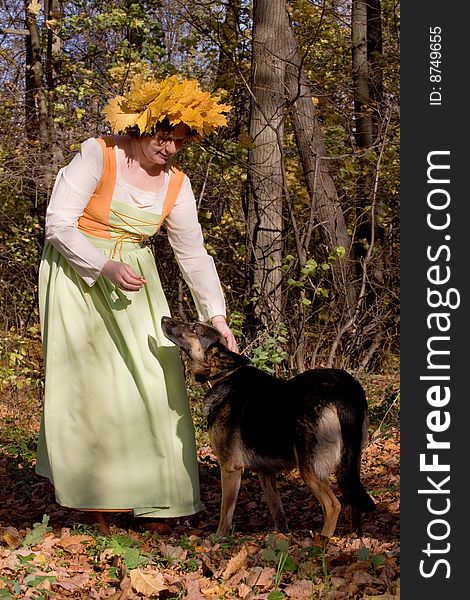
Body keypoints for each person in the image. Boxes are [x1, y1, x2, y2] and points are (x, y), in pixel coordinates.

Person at [37, 73, 238, 534]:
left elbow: (192, 253)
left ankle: (157, 497)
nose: (169, 149)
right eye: (163, 138)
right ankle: (97, 502)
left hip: (135, 277)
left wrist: (216, 314)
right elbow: (59, 224)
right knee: (93, 385)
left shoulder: (176, 184)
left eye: (179, 143)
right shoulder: (98, 154)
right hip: (78, 273)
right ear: (141, 127)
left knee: (155, 379)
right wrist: (103, 265)